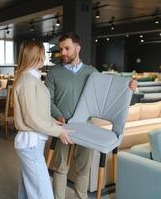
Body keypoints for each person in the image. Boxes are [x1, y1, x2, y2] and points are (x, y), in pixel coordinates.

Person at [45, 32, 137, 199]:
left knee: (83, 169)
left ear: (78, 48)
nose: (63, 53)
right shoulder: (54, 73)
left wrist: (128, 87)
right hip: (63, 127)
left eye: (67, 48)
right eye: (61, 49)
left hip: (86, 127)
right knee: (60, 169)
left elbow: (109, 93)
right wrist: (58, 116)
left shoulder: (92, 72)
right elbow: (48, 101)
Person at [13, 40, 73, 199]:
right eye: (42, 53)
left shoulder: (32, 78)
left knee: (27, 189)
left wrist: (55, 123)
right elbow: (31, 117)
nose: (44, 57)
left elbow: (38, 112)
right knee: (43, 193)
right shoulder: (27, 80)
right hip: (30, 143)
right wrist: (58, 131)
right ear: (36, 56)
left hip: (32, 142)